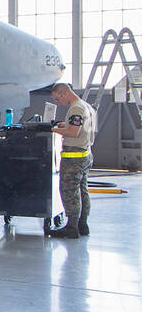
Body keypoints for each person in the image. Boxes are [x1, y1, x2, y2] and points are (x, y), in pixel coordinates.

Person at [49, 82, 96, 240]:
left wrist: (53, 129)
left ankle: (71, 227)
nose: (59, 102)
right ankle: (82, 224)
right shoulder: (85, 106)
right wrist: (65, 124)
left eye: (58, 98)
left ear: (63, 93)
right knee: (83, 190)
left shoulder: (76, 108)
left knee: (69, 191)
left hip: (74, 158)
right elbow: (78, 127)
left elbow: (73, 133)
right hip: (85, 154)